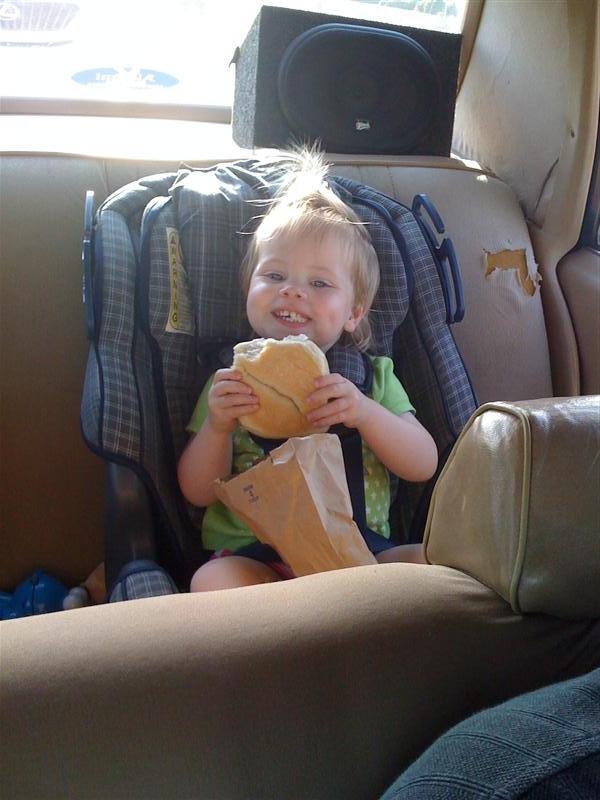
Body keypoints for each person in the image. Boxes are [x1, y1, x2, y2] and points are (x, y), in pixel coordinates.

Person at [178, 151, 438, 592]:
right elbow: (198, 492)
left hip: (360, 551)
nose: (294, 292)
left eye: (319, 284)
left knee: (437, 564)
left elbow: (423, 464)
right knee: (212, 582)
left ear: (354, 312)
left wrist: (364, 413)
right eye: (275, 275)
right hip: (258, 556)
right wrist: (219, 428)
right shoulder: (230, 381)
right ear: (249, 290)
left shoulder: (372, 379)